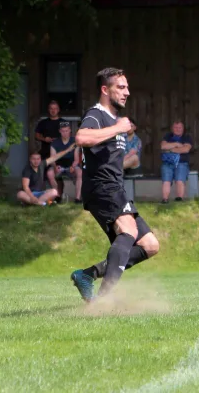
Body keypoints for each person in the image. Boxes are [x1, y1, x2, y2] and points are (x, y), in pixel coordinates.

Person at [71, 68, 160, 303]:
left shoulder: (114, 120)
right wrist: (119, 128)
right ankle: (103, 301)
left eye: (127, 87)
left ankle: (87, 275)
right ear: (104, 89)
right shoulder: (96, 114)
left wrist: (128, 160)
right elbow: (81, 138)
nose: (127, 92)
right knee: (128, 231)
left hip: (115, 188)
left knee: (150, 245)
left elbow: (109, 157)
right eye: (121, 87)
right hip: (102, 187)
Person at [47, 121, 83, 203]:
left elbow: (76, 159)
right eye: (63, 131)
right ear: (60, 131)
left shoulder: (74, 141)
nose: (65, 133)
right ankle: (57, 196)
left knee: (80, 173)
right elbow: (52, 158)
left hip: (71, 165)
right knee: (50, 173)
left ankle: (77, 198)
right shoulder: (54, 143)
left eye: (67, 130)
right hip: (59, 165)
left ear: (70, 130)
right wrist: (55, 166)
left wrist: (73, 166)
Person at [160, 120, 193, 203]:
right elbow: (163, 146)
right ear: (172, 128)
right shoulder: (168, 136)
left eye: (180, 127)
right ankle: (165, 200)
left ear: (183, 128)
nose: (178, 129)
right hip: (167, 162)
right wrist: (177, 144)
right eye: (176, 127)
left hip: (181, 162)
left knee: (179, 180)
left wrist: (170, 149)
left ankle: (179, 199)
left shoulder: (187, 137)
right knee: (166, 180)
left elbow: (186, 149)